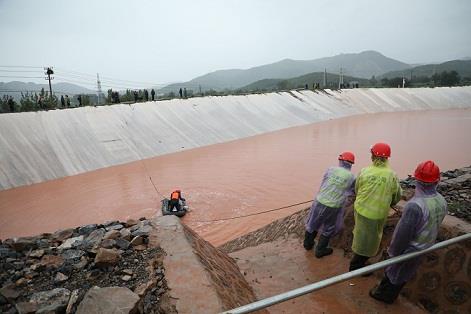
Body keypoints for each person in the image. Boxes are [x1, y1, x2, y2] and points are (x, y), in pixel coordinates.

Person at [370, 160, 446, 304]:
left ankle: (384, 296)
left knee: (394, 271)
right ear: (437, 181)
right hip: (425, 245)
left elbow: (402, 235)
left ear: (417, 180)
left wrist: (393, 253)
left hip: (410, 249)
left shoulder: (415, 206)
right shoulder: (441, 200)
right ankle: (390, 294)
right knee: (405, 273)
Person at [349, 142, 402, 272]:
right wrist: (390, 203)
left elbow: (357, 188)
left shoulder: (364, 171)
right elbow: (397, 196)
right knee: (371, 240)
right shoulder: (392, 175)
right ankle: (357, 266)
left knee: (360, 234)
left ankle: (356, 261)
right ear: (387, 158)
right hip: (378, 213)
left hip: (360, 209)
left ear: (372, 156)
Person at [304, 152, 356, 258]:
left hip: (319, 201)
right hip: (334, 206)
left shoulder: (330, 169)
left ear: (340, 161)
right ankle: (320, 250)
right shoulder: (352, 177)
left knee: (313, 223)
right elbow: (351, 192)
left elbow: (324, 183)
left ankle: (307, 244)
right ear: (351, 164)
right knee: (329, 227)